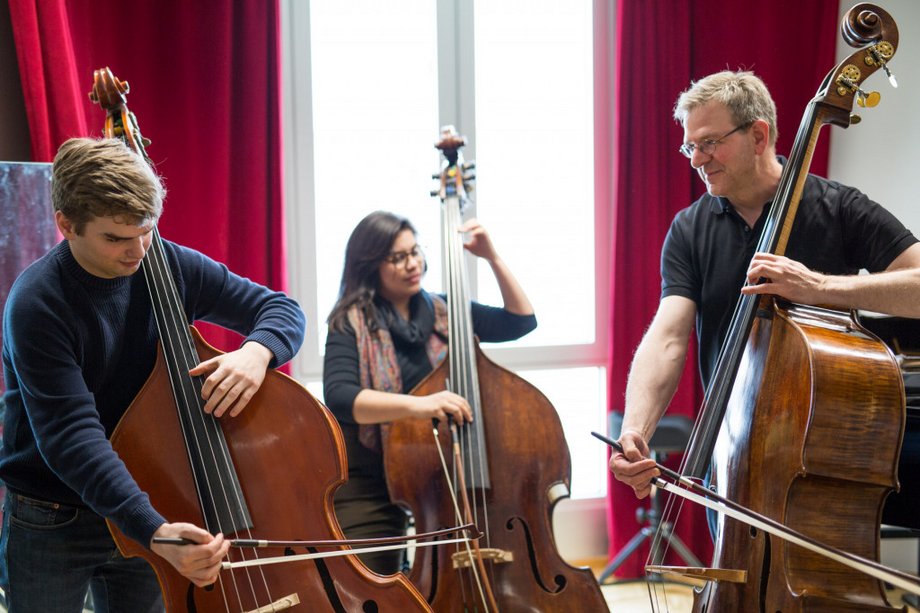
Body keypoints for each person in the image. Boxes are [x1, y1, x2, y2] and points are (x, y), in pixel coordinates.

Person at [0, 137, 306, 611]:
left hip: (149, 497)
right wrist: (153, 529)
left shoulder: (167, 263)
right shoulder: (38, 302)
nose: (137, 251)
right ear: (67, 225)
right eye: (115, 238)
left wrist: (257, 353)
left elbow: (281, 309)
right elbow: (71, 435)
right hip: (53, 512)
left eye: (145, 230)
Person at [609, 70, 920, 499]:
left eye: (709, 143)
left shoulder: (840, 209)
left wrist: (818, 287)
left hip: (824, 462)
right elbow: (667, 338)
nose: (697, 160)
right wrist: (635, 430)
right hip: (730, 460)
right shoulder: (689, 229)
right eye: (690, 146)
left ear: (758, 136)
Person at [323, 210, 536, 574]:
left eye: (415, 251)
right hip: (373, 475)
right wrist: (420, 406)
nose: (412, 264)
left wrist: (492, 257)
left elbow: (521, 321)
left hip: (443, 471)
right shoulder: (350, 322)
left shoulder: (446, 310)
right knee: (369, 578)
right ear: (371, 265)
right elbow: (341, 396)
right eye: (398, 257)